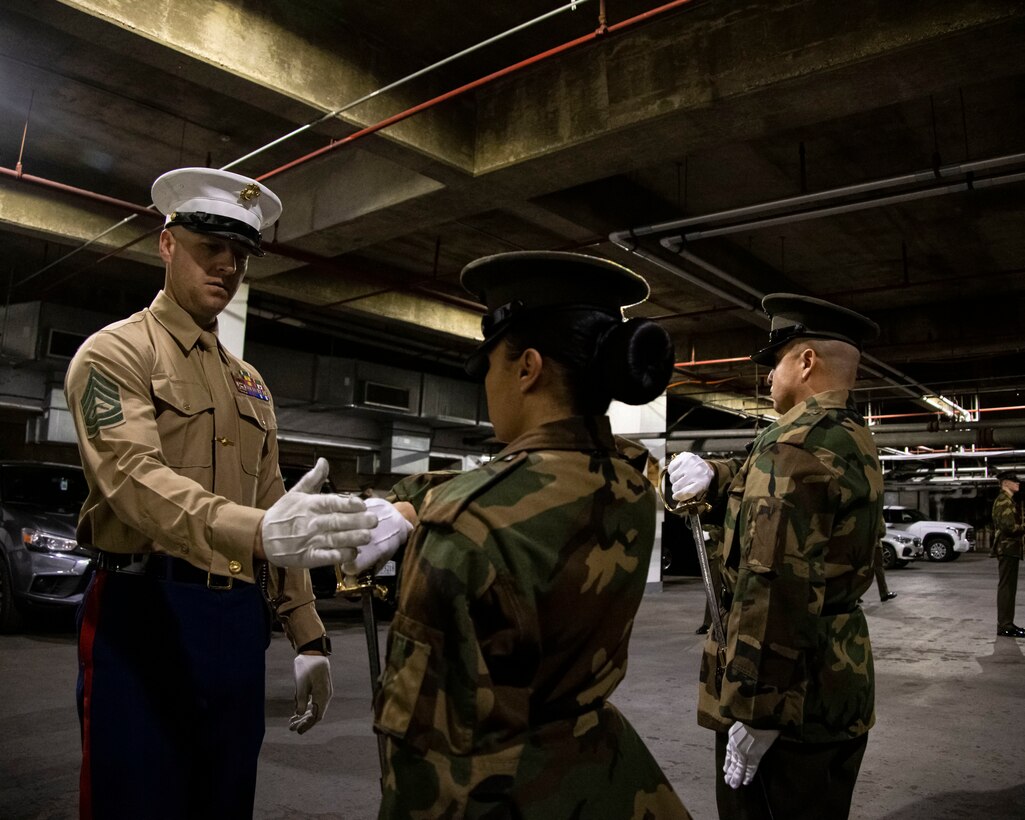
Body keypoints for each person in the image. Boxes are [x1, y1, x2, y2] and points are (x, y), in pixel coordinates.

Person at [64, 167, 376, 820]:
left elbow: (272, 507)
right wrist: (257, 533)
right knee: (134, 801)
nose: (228, 265)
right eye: (211, 246)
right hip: (143, 611)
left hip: (235, 621)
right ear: (167, 243)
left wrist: (307, 633)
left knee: (225, 800)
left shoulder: (250, 384)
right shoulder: (114, 355)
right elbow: (133, 483)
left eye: (240, 253)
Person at [363, 251, 691, 818]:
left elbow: (430, 762)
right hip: (601, 775)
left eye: (491, 363)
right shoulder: (628, 483)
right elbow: (534, 476)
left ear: (527, 367)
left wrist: (428, 512)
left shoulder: (465, 529)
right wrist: (409, 503)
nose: (487, 382)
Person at [668, 293, 883, 820]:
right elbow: (764, 495)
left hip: (787, 699)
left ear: (806, 360)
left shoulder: (794, 445)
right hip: (834, 685)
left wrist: (758, 708)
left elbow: (776, 584)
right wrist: (713, 477)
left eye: (775, 362)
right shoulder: (848, 435)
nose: (767, 378)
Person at [991, 471, 1025, 637]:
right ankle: (1005, 625)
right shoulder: (1003, 501)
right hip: (1007, 548)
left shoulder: (1008, 500)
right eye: (1014, 481)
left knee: (1009, 588)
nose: (1018, 483)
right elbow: (1008, 527)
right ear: (1005, 483)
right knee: (1006, 587)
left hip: (1010, 548)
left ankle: (1007, 624)